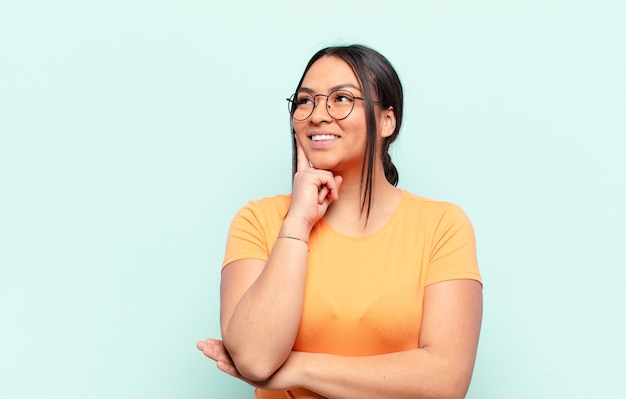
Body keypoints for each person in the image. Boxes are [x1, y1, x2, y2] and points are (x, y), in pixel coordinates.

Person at [197, 44, 483, 399]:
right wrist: (297, 224)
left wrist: (297, 368)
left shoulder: (442, 225)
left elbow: (445, 381)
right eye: (305, 101)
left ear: (388, 121)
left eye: (341, 98)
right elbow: (255, 360)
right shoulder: (258, 220)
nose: (317, 114)